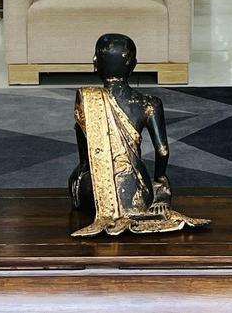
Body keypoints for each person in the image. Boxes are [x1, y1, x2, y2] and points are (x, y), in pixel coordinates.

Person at [67, 33, 211, 237]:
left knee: (79, 177)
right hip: (137, 190)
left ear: (95, 64)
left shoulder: (88, 99)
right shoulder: (150, 104)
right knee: (149, 190)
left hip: (95, 193)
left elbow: (85, 157)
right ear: (133, 65)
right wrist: (160, 181)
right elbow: (163, 151)